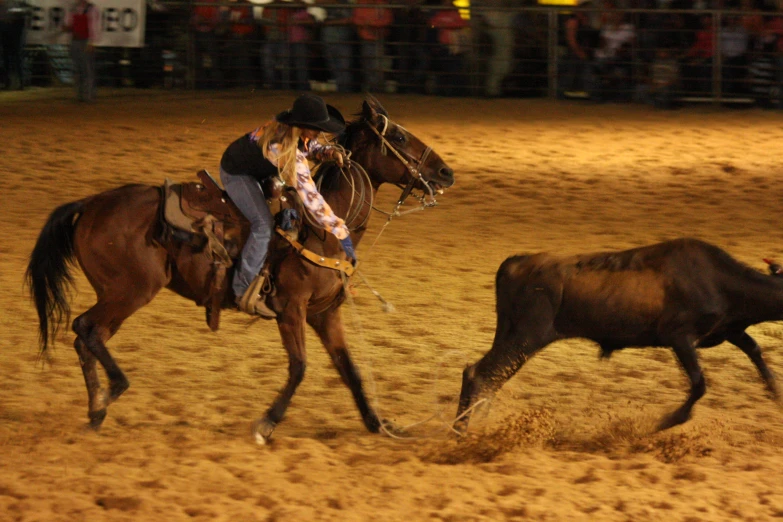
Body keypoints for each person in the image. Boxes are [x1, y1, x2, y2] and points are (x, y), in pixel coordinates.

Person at [220, 94, 354, 317]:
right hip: (237, 174)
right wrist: (339, 229)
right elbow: (310, 196)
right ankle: (240, 289)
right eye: (315, 128)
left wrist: (327, 152)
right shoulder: (280, 146)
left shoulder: (294, 134)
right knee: (262, 225)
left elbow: (309, 146)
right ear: (301, 126)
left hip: (257, 170)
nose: (319, 132)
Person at [64, 0, 100, 102]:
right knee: (78, 69)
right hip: (76, 41)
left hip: (84, 41)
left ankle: (88, 95)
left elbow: (94, 27)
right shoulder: (74, 9)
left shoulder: (91, 9)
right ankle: (81, 94)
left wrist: (92, 42)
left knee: (87, 69)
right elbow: (69, 25)